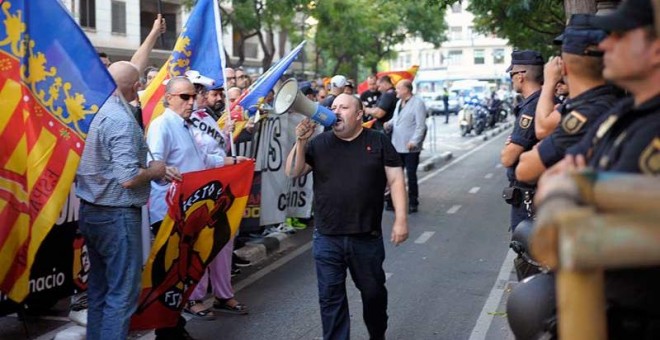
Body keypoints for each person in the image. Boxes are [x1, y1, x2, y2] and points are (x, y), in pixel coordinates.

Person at [507, 1, 660, 338]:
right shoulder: (620, 115)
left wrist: (577, 191)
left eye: (619, 36)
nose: (605, 45)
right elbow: (544, 176)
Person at [285, 94, 409, 340]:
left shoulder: (379, 141)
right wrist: (300, 141)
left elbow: (395, 180)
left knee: (373, 293)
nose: (336, 111)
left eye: (344, 107)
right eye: (333, 107)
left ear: (359, 114)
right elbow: (292, 172)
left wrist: (401, 219)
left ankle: (377, 334)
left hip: (366, 237)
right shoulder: (319, 143)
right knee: (330, 299)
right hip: (327, 237)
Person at [75, 61, 166, 340]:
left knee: (100, 291)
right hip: (117, 216)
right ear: (136, 87)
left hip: (92, 211)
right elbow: (127, 177)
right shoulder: (120, 120)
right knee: (122, 295)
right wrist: (156, 170)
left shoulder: (95, 112)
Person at [516, 15, 619, 184]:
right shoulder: (610, 101)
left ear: (563, 68)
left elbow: (525, 169)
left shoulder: (588, 110)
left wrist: (549, 81)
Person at [499, 50, 544, 232]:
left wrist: (509, 147)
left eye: (511, 75)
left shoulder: (532, 107)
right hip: (536, 193)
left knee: (527, 255)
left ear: (520, 76)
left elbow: (508, 158)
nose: (511, 80)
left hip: (530, 196)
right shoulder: (543, 102)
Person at [384, 80, 427, 213]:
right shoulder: (399, 103)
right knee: (395, 175)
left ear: (406, 90)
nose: (396, 91)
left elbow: (421, 125)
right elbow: (397, 118)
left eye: (398, 88)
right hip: (397, 145)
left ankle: (413, 201)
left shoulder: (418, 103)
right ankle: (392, 200)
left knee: (411, 175)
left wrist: (414, 141)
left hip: (410, 147)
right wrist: (389, 123)